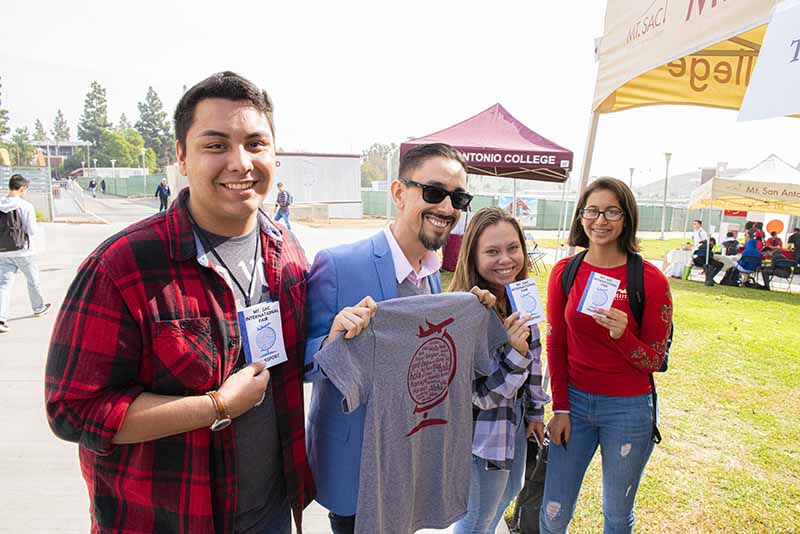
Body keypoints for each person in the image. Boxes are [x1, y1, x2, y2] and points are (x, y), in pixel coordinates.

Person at [45, 71, 314, 534]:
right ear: (182, 158)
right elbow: (73, 409)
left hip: (270, 512)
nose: (240, 162)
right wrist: (216, 406)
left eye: (255, 144)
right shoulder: (122, 266)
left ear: (275, 154)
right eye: (216, 145)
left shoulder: (285, 250)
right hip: (164, 520)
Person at [304, 142, 493, 534]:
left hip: (409, 461)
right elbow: (299, 363)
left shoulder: (434, 275)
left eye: (458, 198)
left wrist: (475, 313)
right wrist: (331, 340)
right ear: (398, 193)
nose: (447, 208)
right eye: (434, 192)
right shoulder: (338, 264)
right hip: (355, 468)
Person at [541, 177, 672, 534]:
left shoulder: (650, 280)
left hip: (628, 409)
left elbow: (654, 360)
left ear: (626, 218)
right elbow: (556, 343)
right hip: (575, 407)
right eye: (592, 211)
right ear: (581, 217)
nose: (600, 220)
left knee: (616, 514)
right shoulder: (565, 272)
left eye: (612, 211)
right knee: (554, 512)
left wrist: (621, 336)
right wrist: (562, 408)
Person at [448, 207, 550, 534]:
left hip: (516, 420)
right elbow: (478, 397)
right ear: (473, 257)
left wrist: (535, 412)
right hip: (482, 433)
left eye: (513, 248)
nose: (506, 259)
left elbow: (535, 356)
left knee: (507, 493)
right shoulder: (467, 309)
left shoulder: (521, 296)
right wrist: (515, 353)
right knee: (476, 521)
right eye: (492, 251)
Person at [0, 174, 52, 333]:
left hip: (2, 252)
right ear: (22, 188)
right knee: (32, 280)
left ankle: (1, 319)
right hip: (24, 252)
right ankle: (38, 307)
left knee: (4, 285)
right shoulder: (25, 206)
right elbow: (31, 230)